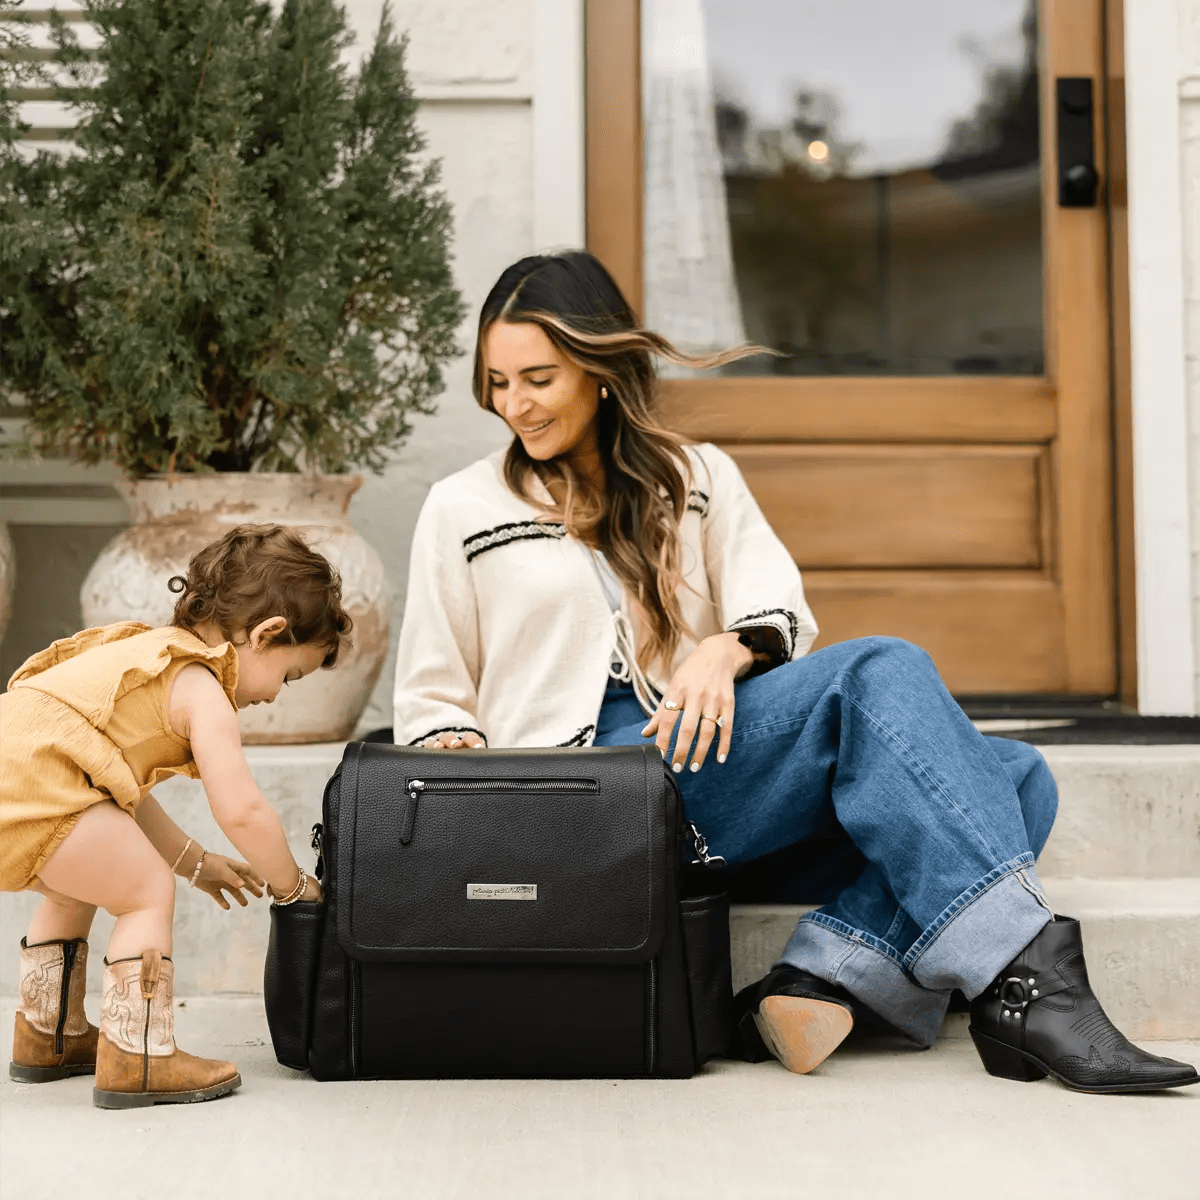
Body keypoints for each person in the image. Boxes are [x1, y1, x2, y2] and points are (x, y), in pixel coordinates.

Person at [392, 249, 1197, 1094]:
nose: (513, 405)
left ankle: (812, 985)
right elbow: (432, 693)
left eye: (538, 379)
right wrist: (479, 821)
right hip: (584, 799)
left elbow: (776, 609)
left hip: (710, 777)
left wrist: (723, 648)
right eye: (496, 382)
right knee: (883, 675)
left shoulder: (696, 478)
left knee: (1014, 774)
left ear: (600, 371)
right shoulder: (464, 504)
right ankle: (1025, 987)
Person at [2, 524, 343, 1108]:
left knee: (80, 883)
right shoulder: (200, 685)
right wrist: (292, 888)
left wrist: (196, 860)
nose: (277, 694)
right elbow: (241, 809)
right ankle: (139, 1056)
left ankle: (48, 1034)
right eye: (289, 675)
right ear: (267, 633)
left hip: (23, 771)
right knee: (142, 889)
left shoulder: (145, 654)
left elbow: (123, 797)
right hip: (40, 778)